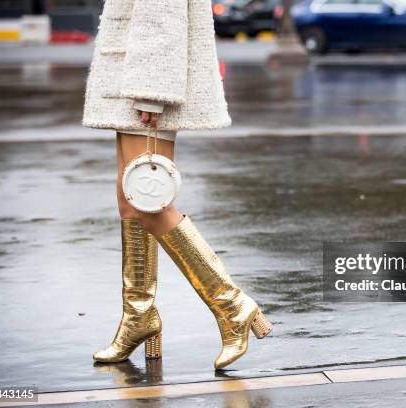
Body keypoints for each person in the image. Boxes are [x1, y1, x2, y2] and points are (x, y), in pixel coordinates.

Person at [82, 0, 272, 369]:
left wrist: (152, 91)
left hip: (146, 84)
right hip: (132, 79)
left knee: (147, 203)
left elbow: (162, 15)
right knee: (129, 202)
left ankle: (232, 305)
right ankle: (139, 316)